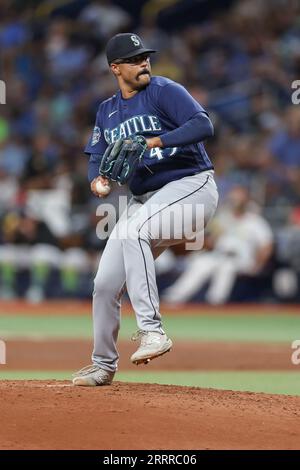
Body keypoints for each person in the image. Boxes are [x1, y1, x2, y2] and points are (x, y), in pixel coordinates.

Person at [72, 33, 218, 386]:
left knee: (137, 230)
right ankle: (103, 364)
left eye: (145, 57)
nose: (144, 63)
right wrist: (98, 182)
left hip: (190, 187)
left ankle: (152, 331)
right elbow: (96, 158)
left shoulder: (164, 90)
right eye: (135, 59)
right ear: (115, 68)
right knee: (105, 283)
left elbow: (203, 125)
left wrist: (153, 141)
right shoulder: (107, 111)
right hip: (144, 201)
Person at [163, 186, 274, 305]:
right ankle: (173, 299)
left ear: (246, 200)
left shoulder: (255, 221)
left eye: (238, 198)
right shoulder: (222, 218)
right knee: (201, 263)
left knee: (227, 267)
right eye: (232, 198)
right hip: (219, 255)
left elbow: (266, 245)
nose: (235, 201)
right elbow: (211, 241)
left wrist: (258, 266)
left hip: (242, 260)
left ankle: (215, 303)